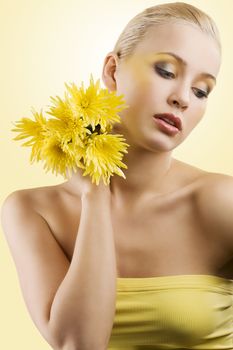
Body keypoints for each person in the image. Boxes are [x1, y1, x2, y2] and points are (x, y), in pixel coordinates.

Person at [1, 1, 233, 349]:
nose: (183, 98)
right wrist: (95, 192)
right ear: (112, 70)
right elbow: (79, 343)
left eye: (202, 91)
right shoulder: (32, 210)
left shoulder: (220, 201)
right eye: (167, 71)